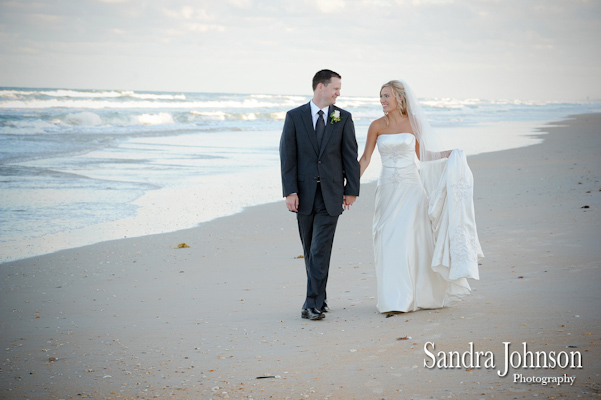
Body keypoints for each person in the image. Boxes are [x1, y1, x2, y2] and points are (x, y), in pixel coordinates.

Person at [359, 80, 481, 313]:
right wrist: (349, 187)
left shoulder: (414, 123)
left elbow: (423, 156)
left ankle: (412, 297)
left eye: (387, 96)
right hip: (386, 189)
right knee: (386, 238)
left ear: (400, 99)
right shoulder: (376, 126)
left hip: (411, 188)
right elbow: (364, 160)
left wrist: (450, 154)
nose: (382, 100)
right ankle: (393, 298)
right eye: (381, 96)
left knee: (410, 239)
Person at [280, 69, 360, 320]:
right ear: (320, 88)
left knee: (320, 250)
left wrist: (352, 190)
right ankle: (320, 297)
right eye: (335, 88)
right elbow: (287, 156)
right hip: (302, 195)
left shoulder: (343, 118)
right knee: (310, 248)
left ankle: (311, 304)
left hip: (331, 194)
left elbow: (350, 156)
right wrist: (290, 191)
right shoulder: (294, 117)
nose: (338, 93)